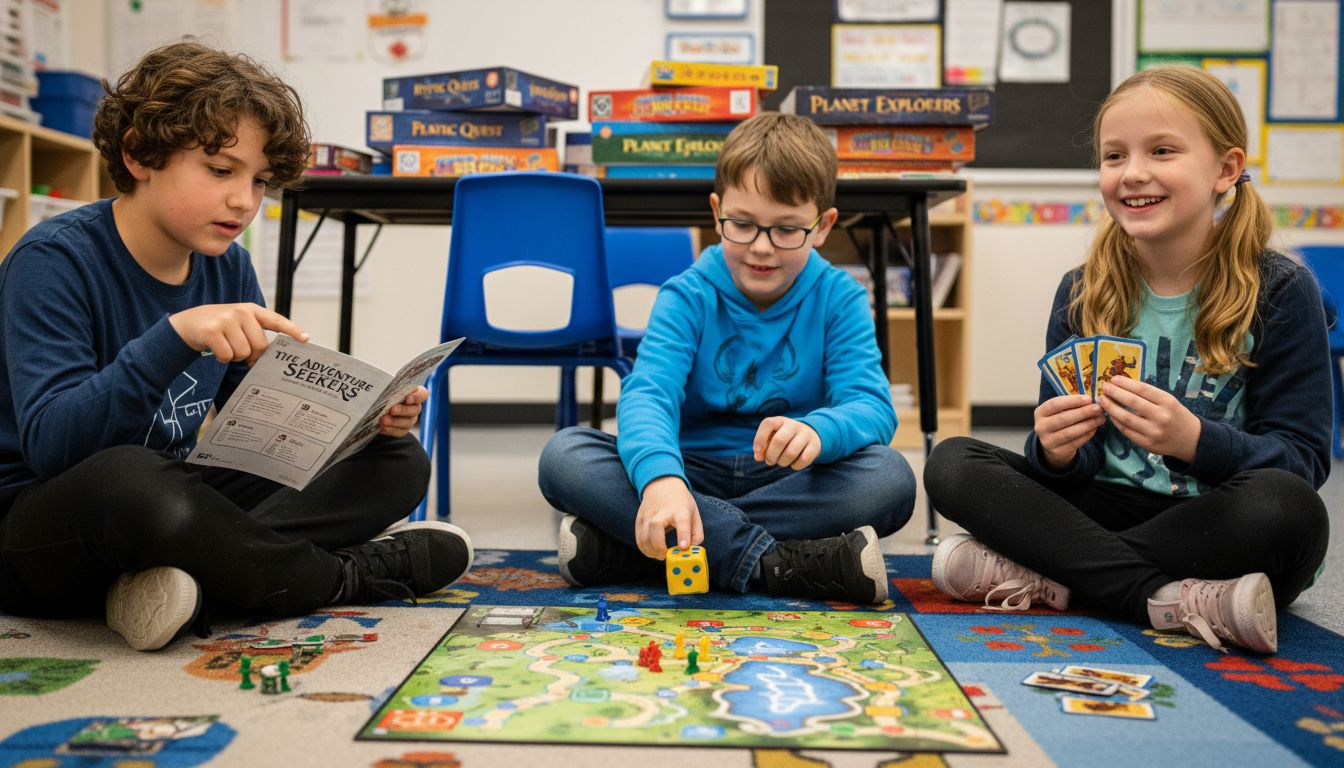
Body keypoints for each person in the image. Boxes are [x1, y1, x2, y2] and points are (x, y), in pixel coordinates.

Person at [0, 40, 473, 652]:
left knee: (398, 461)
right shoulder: (53, 260)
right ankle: (343, 576)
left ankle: (180, 581)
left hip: (169, 496)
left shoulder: (228, 267)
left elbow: (254, 433)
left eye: (260, 181)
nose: (245, 201)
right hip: (42, 521)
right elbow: (53, 447)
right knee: (136, 482)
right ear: (140, 154)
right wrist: (171, 339)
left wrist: (356, 423)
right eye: (222, 171)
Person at [923, 67, 1330, 654]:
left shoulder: (1282, 291)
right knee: (953, 463)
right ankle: (1163, 598)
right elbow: (1070, 458)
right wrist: (1057, 452)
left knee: (1290, 510)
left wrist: (1195, 440)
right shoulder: (1084, 290)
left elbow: (1302, 462)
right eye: (1114, 156)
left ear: (1226, 168)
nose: (1133, 172)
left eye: (1162, 150)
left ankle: (1057, 576)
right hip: (1104, 509)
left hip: (1218, 525)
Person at [538, 112, 916, 604]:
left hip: (790, 479)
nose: (761, 248)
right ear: (716, 212)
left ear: (823, 226)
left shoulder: (839, 297)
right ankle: (777, 562)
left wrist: (820, 430)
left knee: (890, 478)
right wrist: (662, 480)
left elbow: (872, 406)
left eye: (786, 230)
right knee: (564, 457)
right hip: (690, 470)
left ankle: (651, 549)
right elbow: (649, 394)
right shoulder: (687, 294)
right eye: (742, 224)